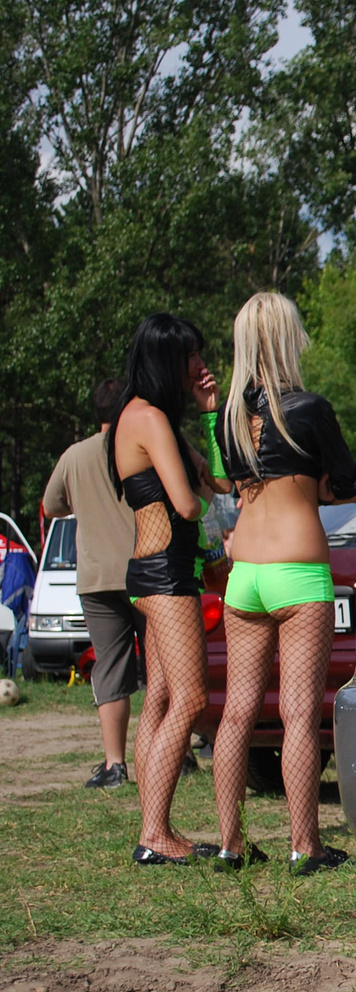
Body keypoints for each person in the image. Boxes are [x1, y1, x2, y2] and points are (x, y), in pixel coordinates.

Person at [214, 292, 356, 874]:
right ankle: (306, 844)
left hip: (244, 573)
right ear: (287, 338)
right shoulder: (308, 409)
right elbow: (348, 483)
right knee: (299, 715)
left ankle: (230, 844)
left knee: (236, 715)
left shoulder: (229, 420)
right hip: (297, 572)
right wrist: (319, 487)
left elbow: (232, 484)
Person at [106, 313, 233, 865]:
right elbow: (190, 502)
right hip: (164, 572)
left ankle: (154, 829)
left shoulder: (149, 419)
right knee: (190, 698)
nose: (200, 365)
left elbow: (223, 478)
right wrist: (212, 541)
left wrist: (210, 417)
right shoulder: (149, 418)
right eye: (190, 357)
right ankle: (155, 834)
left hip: (153, 570)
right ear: (166, 359)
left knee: (158, 700)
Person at [43, 379, 142, 789]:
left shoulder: (74, 455)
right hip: (145, 570)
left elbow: (51, 505)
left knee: (111, 666)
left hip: (97, 576)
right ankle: (181, 753)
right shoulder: (139, 446)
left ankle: (114, 764)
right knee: (164, 666)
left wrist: (81, 499)